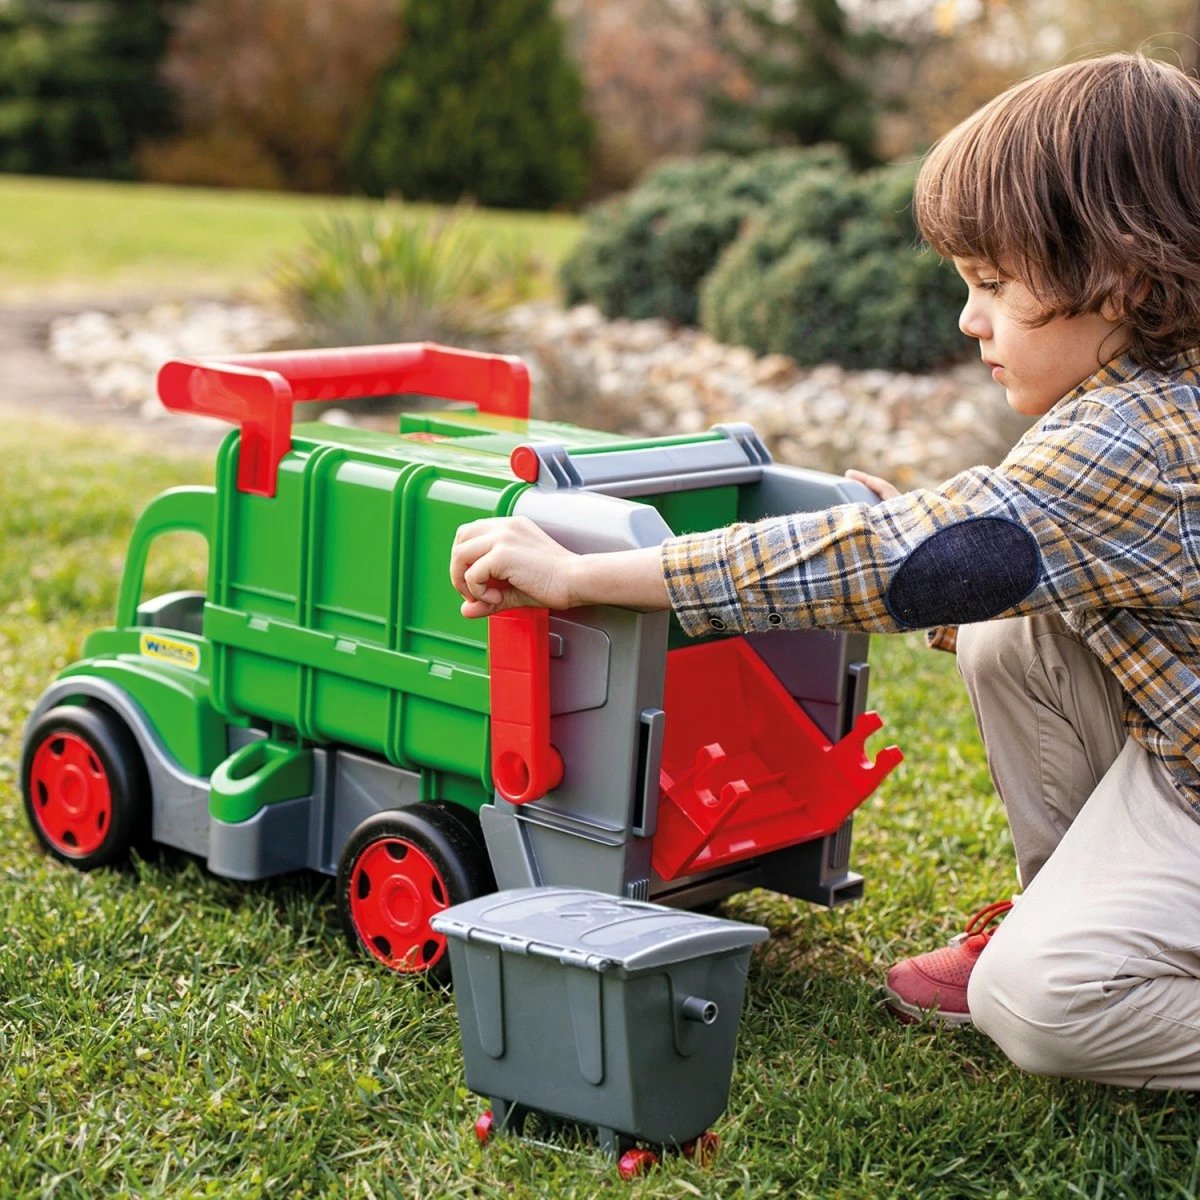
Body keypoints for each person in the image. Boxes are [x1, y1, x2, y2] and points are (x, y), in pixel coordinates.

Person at [449, 53, 1200, 1090]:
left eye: (992, 286)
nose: (967, 321)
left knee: (1041, 1003)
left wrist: (597, 577)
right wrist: (934, 552)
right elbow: (1014, 558)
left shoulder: (1138, 438)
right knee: (1000, 624)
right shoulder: (1150, 392)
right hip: (1180, 754)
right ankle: (1069, 903)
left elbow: (895, 563)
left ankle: (1076, 956)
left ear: (1123, 277)